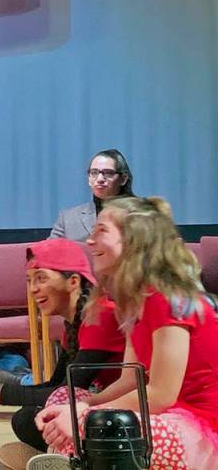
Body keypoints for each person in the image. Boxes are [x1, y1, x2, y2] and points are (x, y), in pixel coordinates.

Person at [29, 197, 218, 469]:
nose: (90, 241)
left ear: (133, 240)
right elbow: (130, 380)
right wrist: (78, 408)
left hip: (197, 426)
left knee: (102, 424)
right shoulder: (135, 303)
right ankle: (71, 458)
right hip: (165, 413)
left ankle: (72, 458)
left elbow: (161, 394)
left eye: (101, 231)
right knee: (64, 398)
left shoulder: (167, 297)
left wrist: (85, 414)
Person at [0, 239, 125, 470]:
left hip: (133, 412)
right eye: (29, 280)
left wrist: (2, 393)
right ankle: (65, 455)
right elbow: (57, 386)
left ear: (73, 282)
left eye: (41, 278)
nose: (33, 288)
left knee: (31, 420)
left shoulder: (100, 316)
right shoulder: (73, 325)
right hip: (106, 406)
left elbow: (69, 393)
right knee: (27, 418)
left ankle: (78, 459)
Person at [50, 149, 134, 241]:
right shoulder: (68, 219)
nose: (100, 179)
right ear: (89, 179)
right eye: (94, 172)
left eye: (108, 173)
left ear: (123, 179)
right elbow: (49, 251)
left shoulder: (140, 215)